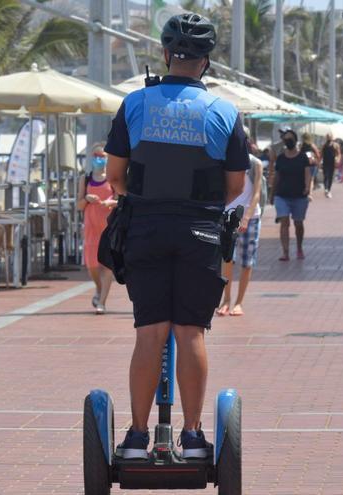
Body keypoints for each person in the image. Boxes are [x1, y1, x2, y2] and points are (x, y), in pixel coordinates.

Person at [103, 12, 249, 460]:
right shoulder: (224, 111)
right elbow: (235, 187)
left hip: (145, 228)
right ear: (206, 63)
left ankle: (135, 438)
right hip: (200, 231)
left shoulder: (134, 104)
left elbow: (115, 177)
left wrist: (145, 198)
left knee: (149, 333)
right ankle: (191, 436)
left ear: (166, 55)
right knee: (191, 332)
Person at [218, 131, 264, 317]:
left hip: (250, 218)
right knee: (227, 258)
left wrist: (246, 217)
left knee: (247, 261)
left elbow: (257, 193)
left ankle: (239, 302)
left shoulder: (254, 163)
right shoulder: (223, 161)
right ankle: (226, 299)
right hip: (228, 217)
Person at [77, 144, 118, 315]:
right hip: (91, 227)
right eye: (96, 155)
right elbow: (79, 205)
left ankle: (102, 302)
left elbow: (121, 200)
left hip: (107, 226)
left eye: (102, 156)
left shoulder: (113, 178)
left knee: (107, 266)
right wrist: (86, 198)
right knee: (92, 265)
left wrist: (111, 202)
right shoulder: (85, 178)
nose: (98, 159)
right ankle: (99, 288)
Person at [272, 127, 312, 261]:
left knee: (298, 223)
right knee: (284, 222)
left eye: (290, 138)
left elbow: (307, 174)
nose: (288, 141)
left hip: (299, 196)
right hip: (282, 195)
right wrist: (272, 193)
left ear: (295, 140)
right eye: (286, 139)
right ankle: (285, 252)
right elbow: (276, 176)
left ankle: (299, 248)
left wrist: (307, 188)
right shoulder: (281, 158)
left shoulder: (302, 157)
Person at [320, 133, 340, 198]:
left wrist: (337, 159)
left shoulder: (335, 145)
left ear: (332, 137)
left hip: (332, 163)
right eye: (328, 137)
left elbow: (338, 153)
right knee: (325, 176)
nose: (329, 138)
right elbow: (321, 154)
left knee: (330, 176)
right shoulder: (324, 145)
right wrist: (319, 161)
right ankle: (326, 189)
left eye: (330, 137)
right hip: (325, 162)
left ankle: (329, 190)